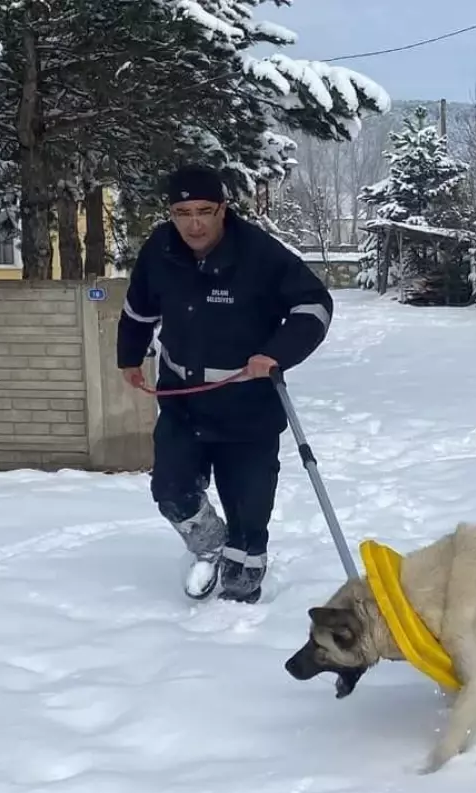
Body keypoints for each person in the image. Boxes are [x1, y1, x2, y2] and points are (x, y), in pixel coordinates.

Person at [117, 164, 333, 604]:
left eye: (204, 211)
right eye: (182, 212)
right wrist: (129, 356)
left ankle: (241, 595)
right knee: (171, 490)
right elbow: (139, 308)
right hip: (183, 401)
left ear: (222, 209)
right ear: (171, 213)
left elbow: (315, 306)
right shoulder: (161, 249)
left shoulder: (259, 254)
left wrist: (277, 352)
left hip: (248, 407)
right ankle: (208, 546)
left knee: (249, 518)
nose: (193, 224)